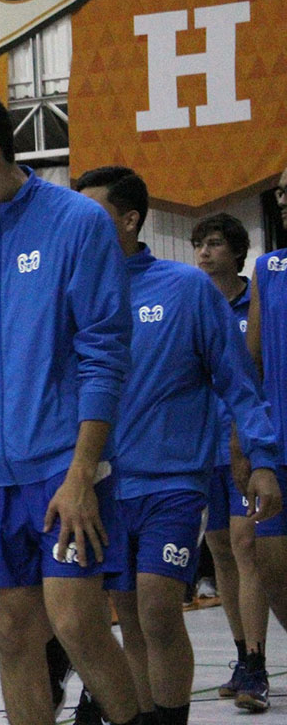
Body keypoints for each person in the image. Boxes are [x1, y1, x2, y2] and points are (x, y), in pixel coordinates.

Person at [0, 88, 143, 725]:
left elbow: (105, 357)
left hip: (63, 470)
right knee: (12, 635)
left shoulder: (77, 223)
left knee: (78, 626)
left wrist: (80, 475)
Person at [76, 166, 282, 725]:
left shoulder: (185, 289)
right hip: (99, 488)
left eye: (92, 212)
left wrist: (261, 458)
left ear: (129, 218)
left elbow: (239, 381)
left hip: (172, 482)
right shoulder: (75, 295)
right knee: (129, 616)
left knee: (159, 608)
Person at [191, 212, 274, 704]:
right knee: (221, 550)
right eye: (199, 243)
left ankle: (259, 665)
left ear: (237, 251)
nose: (204, 252)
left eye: (215, 243)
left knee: (247, 550)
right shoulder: (196, 303)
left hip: (245, 445)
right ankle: (243, 656)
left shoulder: (255, 300)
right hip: (207, 450)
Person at [244, 166, 287, 712]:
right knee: (272, 566)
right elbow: (246, 367)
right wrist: (247, 445)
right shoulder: (269, 269)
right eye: (279, 192)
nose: (282, 200)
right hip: (278, 446)